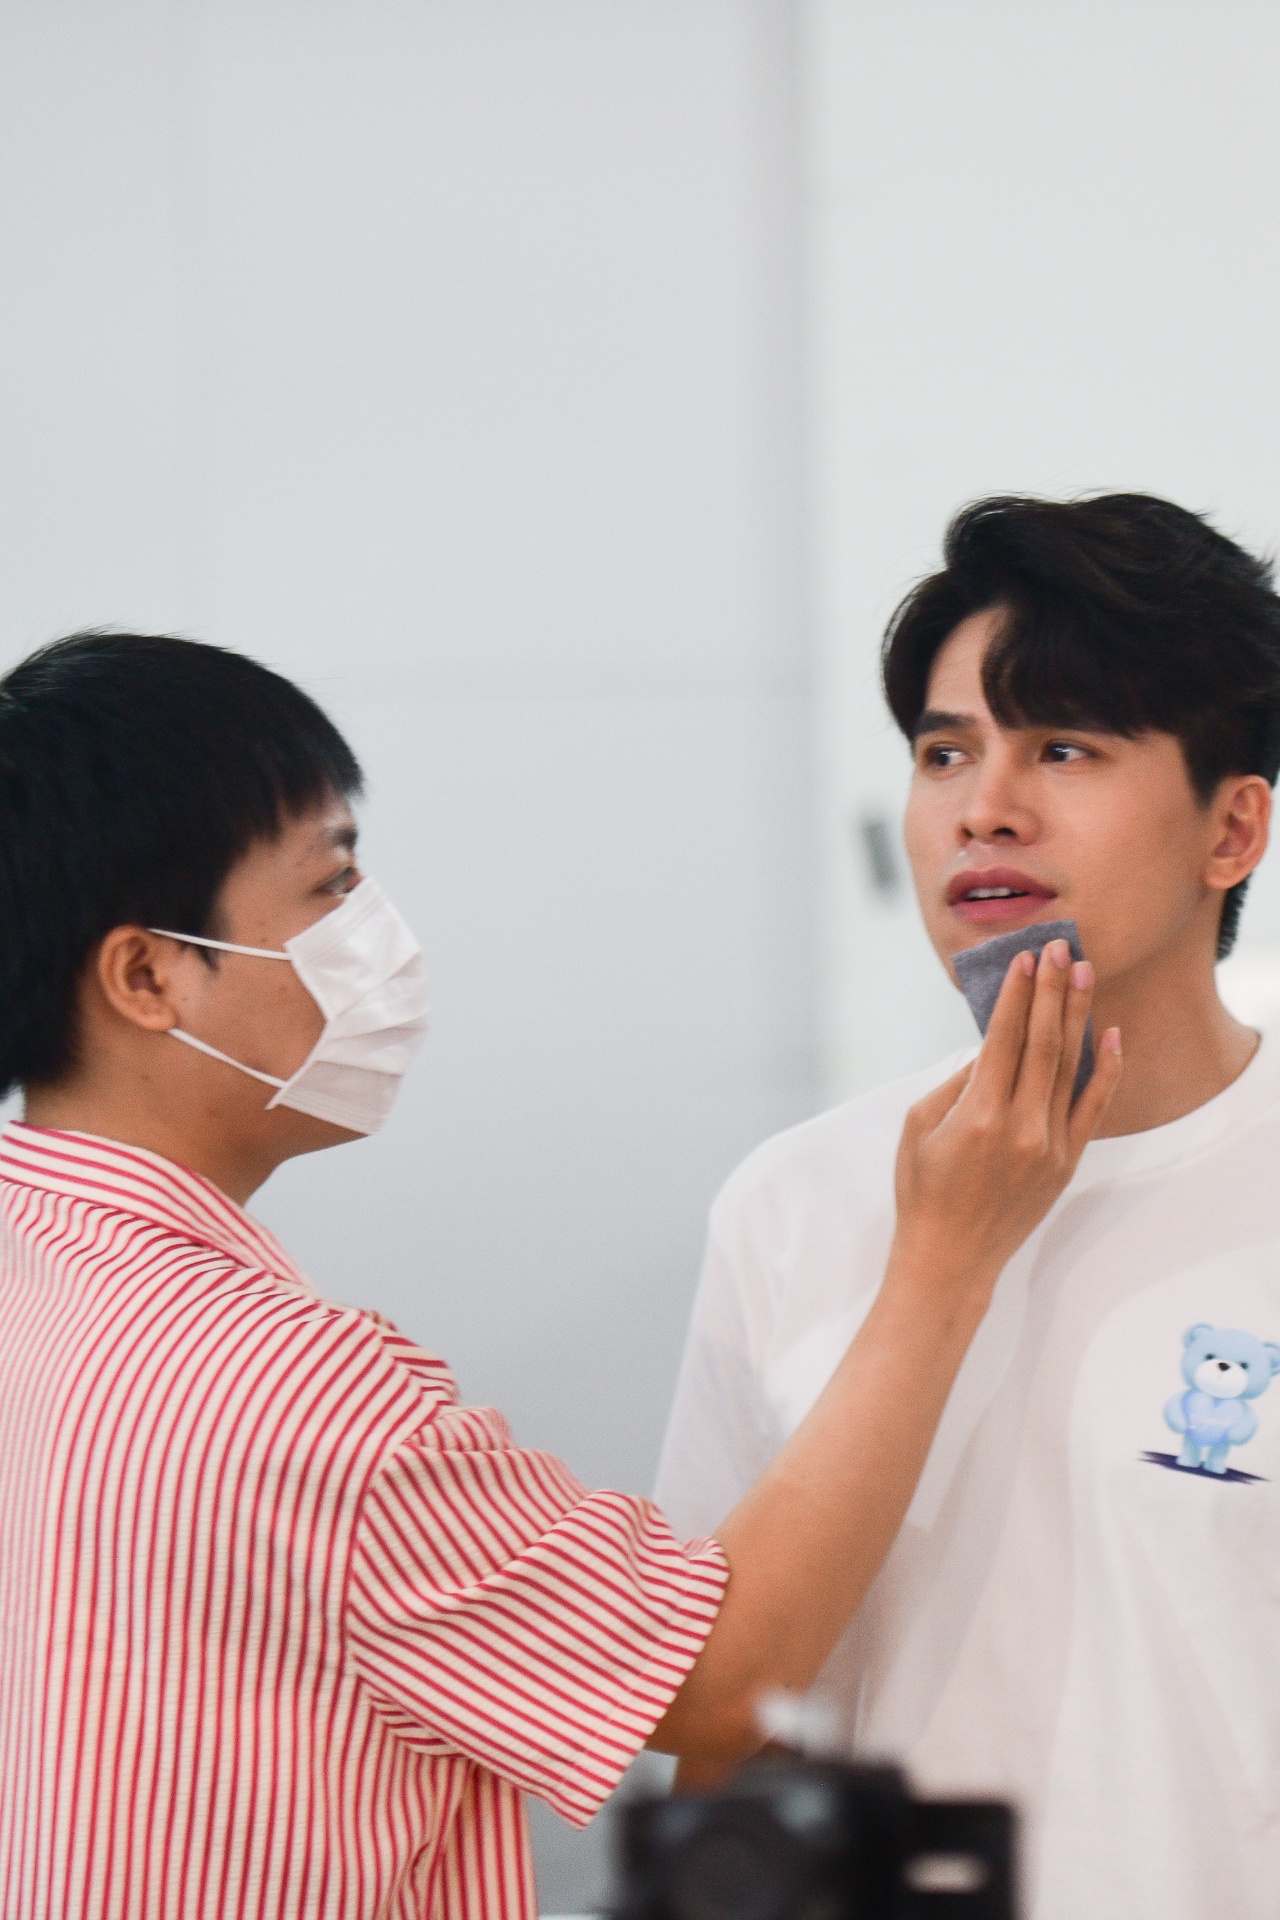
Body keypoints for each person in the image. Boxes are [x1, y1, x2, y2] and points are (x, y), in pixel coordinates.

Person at [0, 631, 1114, 1920]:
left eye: (1065, 749)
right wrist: (944, 1260)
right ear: (147, 977)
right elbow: (715, 1681)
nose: (378, 938)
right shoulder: (281, 1389)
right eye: (329, 888)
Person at [655, 492, 1280, 1920]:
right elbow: (725, 1713)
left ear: (1231, 828)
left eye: (1064, 747)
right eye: (946, 752)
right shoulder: (792, 1201)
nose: (983, 807)